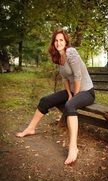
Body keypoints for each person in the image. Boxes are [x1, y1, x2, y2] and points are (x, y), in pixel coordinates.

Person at [16, 28, 95, 165]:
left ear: (66, 42)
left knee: (69, 105)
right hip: (73, 91)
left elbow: (78, 76)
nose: (58, 43)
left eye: (61, 40)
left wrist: (73, 97)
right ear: (53, 43)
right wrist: (69, 94)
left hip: (87, 92)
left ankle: (73, 147)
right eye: (56, 40)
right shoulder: (58, 57)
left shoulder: (71, 52)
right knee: (45, 100)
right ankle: (31, 128)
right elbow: (65, 79)